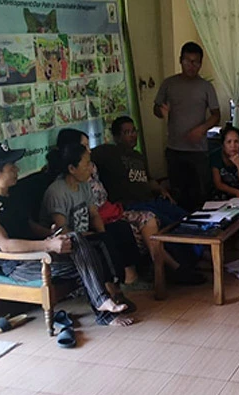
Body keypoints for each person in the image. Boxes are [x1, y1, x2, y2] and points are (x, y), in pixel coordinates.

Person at [0, 142, 132, 327]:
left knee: (83, 242)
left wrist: (51, 234)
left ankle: (105, 304)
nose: (17, 169)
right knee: (86, 259)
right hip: (19, 265)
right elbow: (6, 245)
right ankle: (104, 308)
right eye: (11, 167)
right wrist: (48, 245)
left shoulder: (12, 194)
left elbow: (29, 226)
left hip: (38, 253)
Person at [55, 128, 188, 286]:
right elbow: (80, 217)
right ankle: (169, 269)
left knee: (150, 217)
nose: (89, 151)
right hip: (97, 220)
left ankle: (162, 268)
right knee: (124, 229)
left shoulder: (91, 167)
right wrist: (102, 233)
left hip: (111, 210)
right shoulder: (66, 184)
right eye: (85, 146)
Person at [91, 116, 205, 284]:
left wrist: (161, 190)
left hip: (151, 199)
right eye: (127, 132)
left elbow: (148, 180)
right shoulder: (108, 152)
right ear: (116, 137)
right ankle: (181, 267)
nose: (132, 135)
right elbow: (86, 155)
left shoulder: (138, 156)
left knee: (186, 218)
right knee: (167, 224)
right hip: (132, 204)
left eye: (134, 131)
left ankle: (201, 255)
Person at [41, 143, 142, 304]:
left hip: (85, 232)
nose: (91, 168)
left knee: (120, 228)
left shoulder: (84, 185)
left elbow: (94, 215)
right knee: (102, 242)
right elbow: (62, 230)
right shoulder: (57, 192)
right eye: (87, 164)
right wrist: (99, 237)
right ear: (72, 168)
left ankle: (131, 278)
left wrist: (102, 233)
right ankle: (113, 291)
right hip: (69, 241)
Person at [153, 41, 220, 211]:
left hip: (198, 151)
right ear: (180, 61)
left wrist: (202, 129)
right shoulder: (169, 84)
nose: (191, 65)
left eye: (196, 62)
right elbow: (156, 108)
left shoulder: (206, 87)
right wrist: (162, 111)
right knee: (178, 193)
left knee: (201, 194)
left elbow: (216, 115)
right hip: (175, 148)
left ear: (201, 63)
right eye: (188, 61)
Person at [210, 123, 239, 200]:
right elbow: (218, 184)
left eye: (236, 142)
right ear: (223, 144)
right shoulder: (215, 156)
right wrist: (235, 192)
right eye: (229, 142)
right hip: (223, 191)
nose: (233, 146)